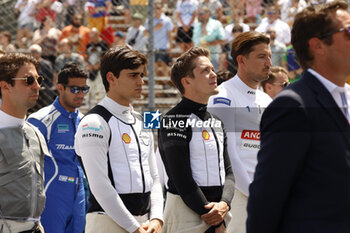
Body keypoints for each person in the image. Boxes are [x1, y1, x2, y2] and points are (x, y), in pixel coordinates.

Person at [247, 1, 350, 232]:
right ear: (318, 46)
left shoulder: (346, 97)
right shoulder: (292, 106)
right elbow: (267, 198)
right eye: (348, 32)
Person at [74, 46, 163, 233]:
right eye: (133, 75)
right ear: (111, 78)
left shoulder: (141, 120)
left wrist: (156, 218)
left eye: (141, 75)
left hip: (146, 224)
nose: (141, 81)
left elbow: (155, 177)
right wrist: (133, 227)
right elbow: (99, 185)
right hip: (107, 222)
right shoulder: (93, 122)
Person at [158, 47, 235, 233]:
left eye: (213, 69)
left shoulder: (217, 121)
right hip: (187, 216)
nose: (213, 74)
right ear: (187, 81)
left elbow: (229, 172)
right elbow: (182, 180)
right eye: (205, 71)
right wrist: (216, 221)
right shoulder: (172, 120)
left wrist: (224, 204)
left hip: (219, 215)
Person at [207, 31, 272, 233]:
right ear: (241, 60)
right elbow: (227, 153)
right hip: (236, 195)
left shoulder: (266, 100)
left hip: (265, 194)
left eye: (269, 56)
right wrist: (254, 192)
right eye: (261, 56)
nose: (268, 62)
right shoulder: (223, 96)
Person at [28, 63, 88, 233]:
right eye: (75, 89)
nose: (81, 94)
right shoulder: (40, 120)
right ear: (60, 88)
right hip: (52, 195)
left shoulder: (86, 121)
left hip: (79, 195)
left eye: (85, 89)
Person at [0, 53, 50, 232]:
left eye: (39, 79)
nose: (37, 86)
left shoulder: (35, 133)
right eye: (28, 80)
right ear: (6, 86)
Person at [144, 2, 174, 76]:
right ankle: (155, 86)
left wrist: (170, 47)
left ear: (161, 9)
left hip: (163, 47)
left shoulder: (167, 20)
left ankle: (166, 84)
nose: (157, 10)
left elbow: (170, 35)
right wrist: (155, 28)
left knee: (165, 67)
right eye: (155, 8)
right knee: (154, 68)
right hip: (153, 47)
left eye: (158, 8)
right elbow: (145, 34)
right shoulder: (149, 20)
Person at [192, 6, 225, 72]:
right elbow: (194, 41)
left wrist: (209, 43)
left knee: (214, 74)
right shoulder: (197, 26)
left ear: (208, 14)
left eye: (201, 14)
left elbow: (222, 39)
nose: (199, 16)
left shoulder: (216, 24)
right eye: (198, 14)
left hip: (213, 55)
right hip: (200, 56)